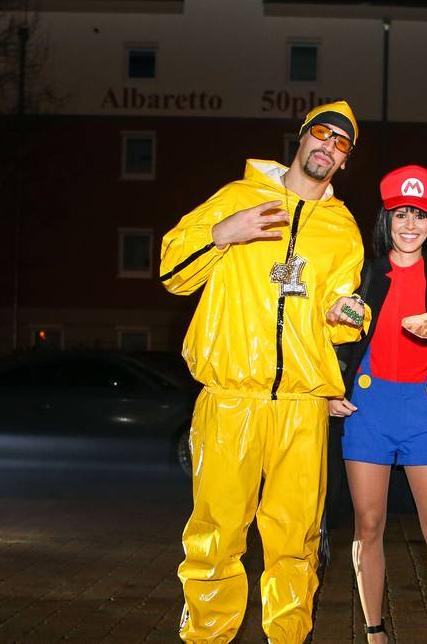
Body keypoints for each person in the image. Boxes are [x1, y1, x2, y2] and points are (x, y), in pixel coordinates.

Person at [160, 100, 369, 644]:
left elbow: (340, 313)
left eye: (341, 143)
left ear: (345, 160)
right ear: (300, 139)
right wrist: (222, 233)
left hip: (301, 406)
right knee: (216, 534)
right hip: (230, 397)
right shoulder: (237, 197)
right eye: (321, 134)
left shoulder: (343, 229)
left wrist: (349, 314)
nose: (328, 146)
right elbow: (171, 272)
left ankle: (288, 638)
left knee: (296, 540)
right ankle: (207, 636)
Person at [326, 165, 427, 644]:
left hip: (425, 415)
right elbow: (337, 337)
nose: (410, 225)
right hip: (367, 411)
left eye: (420, 216)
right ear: (386, 220)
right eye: (400, 215)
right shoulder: (363, 271)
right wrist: (333, 389)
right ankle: (374, 631)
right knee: (368, 525)